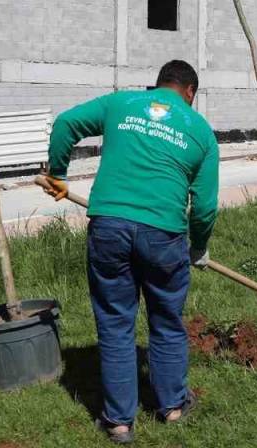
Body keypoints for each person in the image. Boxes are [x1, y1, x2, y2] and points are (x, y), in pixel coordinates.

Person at [42, 60, 219, 444]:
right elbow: (204, 206)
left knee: (116, 322)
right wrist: (199, 245)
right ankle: (172, 407)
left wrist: (57, 173)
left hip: (109, 227)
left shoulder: (121, 104)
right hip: (164, 235)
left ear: (156, 87)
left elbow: (65, 125)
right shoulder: (201, 131)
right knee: (167, 319)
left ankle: (119, 423)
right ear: (190, 93)